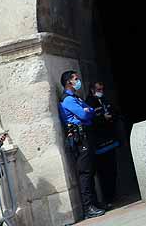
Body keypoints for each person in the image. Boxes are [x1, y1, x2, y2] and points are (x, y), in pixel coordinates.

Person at [58, 71, 104, 221]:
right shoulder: (68, 100)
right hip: (79, 139)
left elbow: (90, 111)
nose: (78, 82)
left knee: (91, 171)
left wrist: (88, 111)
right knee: (85, 173)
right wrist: (86, 112)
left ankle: (95, 203)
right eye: (75, 79)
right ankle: (88, 207)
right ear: (68, 83)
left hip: (86, 135)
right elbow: (85, 115)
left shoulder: (75, 97)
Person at [84, 83, 120, 211]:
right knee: (104, 173)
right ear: (92, 90)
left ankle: (113, 196)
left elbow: (114, 111)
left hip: (110, 139)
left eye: (102, 89)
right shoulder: (89, 102)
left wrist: (110, 117)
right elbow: (91, 120)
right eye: (99, 89)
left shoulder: (104, 99)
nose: (101, 91)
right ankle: (107, 199)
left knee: (113, 170)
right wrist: (103, 118)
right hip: (100, 143)